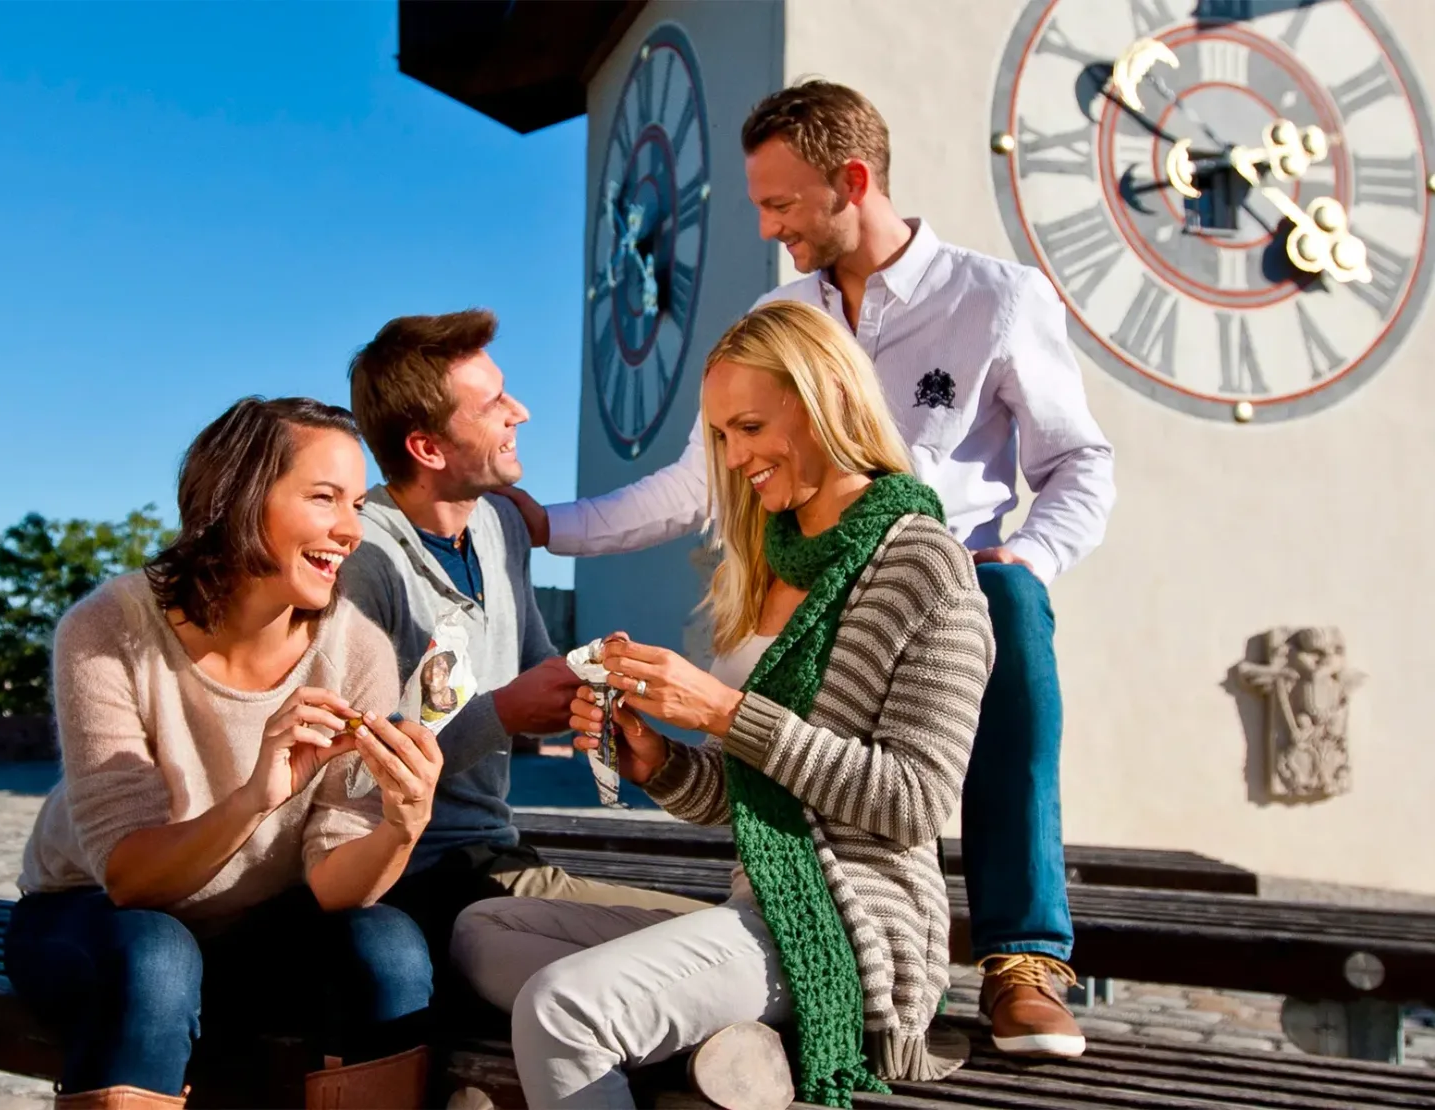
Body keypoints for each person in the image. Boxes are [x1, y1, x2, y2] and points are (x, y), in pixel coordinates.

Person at [498, 80, 1115, 1058]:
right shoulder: (784, 310)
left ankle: (1023, 954)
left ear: (852, 183)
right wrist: (548, 525)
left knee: (1002, 598)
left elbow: (1078, 459)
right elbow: (699, 481)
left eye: (780, 203)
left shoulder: (996, 299)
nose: (765, 224)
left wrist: (1030, 554)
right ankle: (755, 957)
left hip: (940, 584)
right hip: (814, 585)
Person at [452, 301, 994, 1109]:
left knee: (562, 1009)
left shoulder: (924, 567)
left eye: (748, 428)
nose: (734, 459)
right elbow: (756, 798)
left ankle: (764, 1029)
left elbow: (914, 802)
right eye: (721, 438)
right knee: (478, 934)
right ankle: (730, 1041)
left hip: (849, 924)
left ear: (826, 402)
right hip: (759, 900)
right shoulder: (767, 558)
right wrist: (659, 762)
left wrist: (723, 713)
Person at [6, 397, 445, 1110]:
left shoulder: (358, 649)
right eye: (325, 498)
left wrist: (401, 822)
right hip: (92, 922)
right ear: (236, 498)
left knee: (388, 944)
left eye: (357, 504)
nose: (350, 531)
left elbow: (336, 887)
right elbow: (130, 881)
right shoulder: (107, 630)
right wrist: (253, 798)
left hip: (254, 930)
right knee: (156, 955)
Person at [336, 309, 703, 969]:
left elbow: (534, 666)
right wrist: (505, 711)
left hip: (499, 859)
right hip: (408, 878)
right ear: (428, 448)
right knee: (709, 947)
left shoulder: (501, 523)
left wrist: (595, 675)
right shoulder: (361, 559)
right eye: (493, 404)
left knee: (714, 945)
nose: (521, 412)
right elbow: (357, 771)